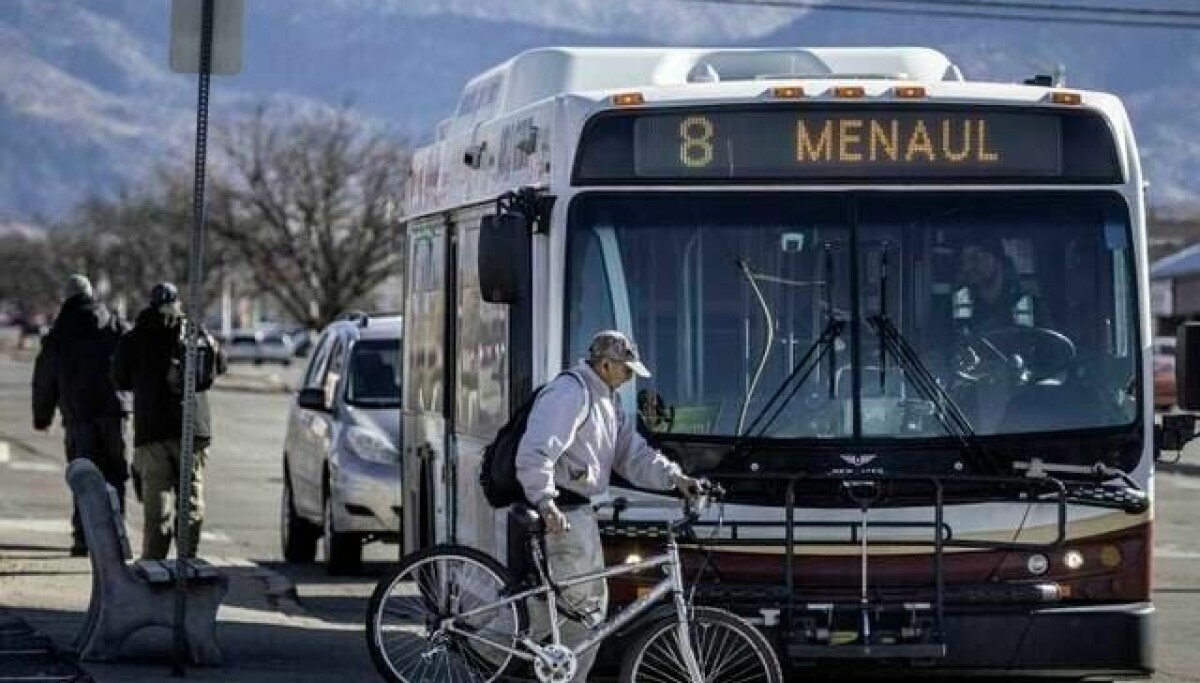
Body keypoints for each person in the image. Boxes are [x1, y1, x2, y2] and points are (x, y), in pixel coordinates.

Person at [515, 329, 703, 682]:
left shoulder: (608, 400)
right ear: (605, 363)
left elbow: (633, 455)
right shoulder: (571, 393)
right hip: (564, 514)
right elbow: (536, 451)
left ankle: (507, 656)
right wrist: (545, 501)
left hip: (579, 514)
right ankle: (493, 653)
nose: (631, 377)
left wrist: (675, 479)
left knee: (571, 610)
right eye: (627, 369)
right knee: (577, 611)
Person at [112, 282, 227, 560]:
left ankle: (154, 565)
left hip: (152, 431)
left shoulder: (134, 338)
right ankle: (187, 564)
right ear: (178, 303)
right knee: (190, 502)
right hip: (193, 429)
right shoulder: (195, 332)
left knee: (157, 505)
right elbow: (220, 365)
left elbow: (120, 378)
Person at [32, 275, 130, 556]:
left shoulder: (59, 333)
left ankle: (83, 538)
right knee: (114, 474)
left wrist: (42, 416)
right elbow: (130, 365)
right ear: (91, 294)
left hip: (79, 415)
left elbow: (44, 379)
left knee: (84, 477)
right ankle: (115, 538)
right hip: (114, 413)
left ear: (67, 296)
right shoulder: (114, 325)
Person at [956, 236, 1033, 333]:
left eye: (976, 257)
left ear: (998, 260)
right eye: (964, 260)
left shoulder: (1030, 304)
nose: (966, 267)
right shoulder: (958, 303)